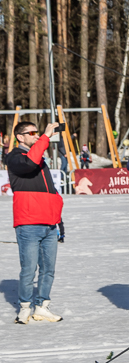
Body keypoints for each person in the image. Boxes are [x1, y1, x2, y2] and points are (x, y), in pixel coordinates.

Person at [5, 120, 64, 324]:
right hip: (28, 223)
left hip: (49, 224)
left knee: (48, 269)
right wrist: (46, 136)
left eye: (37, 133)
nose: (36, 136)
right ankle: (24, 307)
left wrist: (59, 222)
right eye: (31, 133)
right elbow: (29, 163)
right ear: (20, 137)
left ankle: (42, 306)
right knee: (29, 269)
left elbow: (51, 192)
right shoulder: (14, 157)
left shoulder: (38, 158)